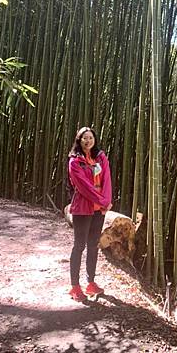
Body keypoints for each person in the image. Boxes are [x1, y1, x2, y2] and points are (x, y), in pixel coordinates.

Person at [67, 126, 112, 302]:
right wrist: (102, 201)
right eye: (84, 138)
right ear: (79, 140)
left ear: (94, 140)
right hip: (82, 208)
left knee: (93, 245)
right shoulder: (74, 162)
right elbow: (83, 186)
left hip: (98, 209)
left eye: (91, 138)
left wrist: (106, 201)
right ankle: (75, 286)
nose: (88, 141)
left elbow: (107, 179)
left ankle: (91, 283)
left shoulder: (101, 158)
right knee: (79, 246)